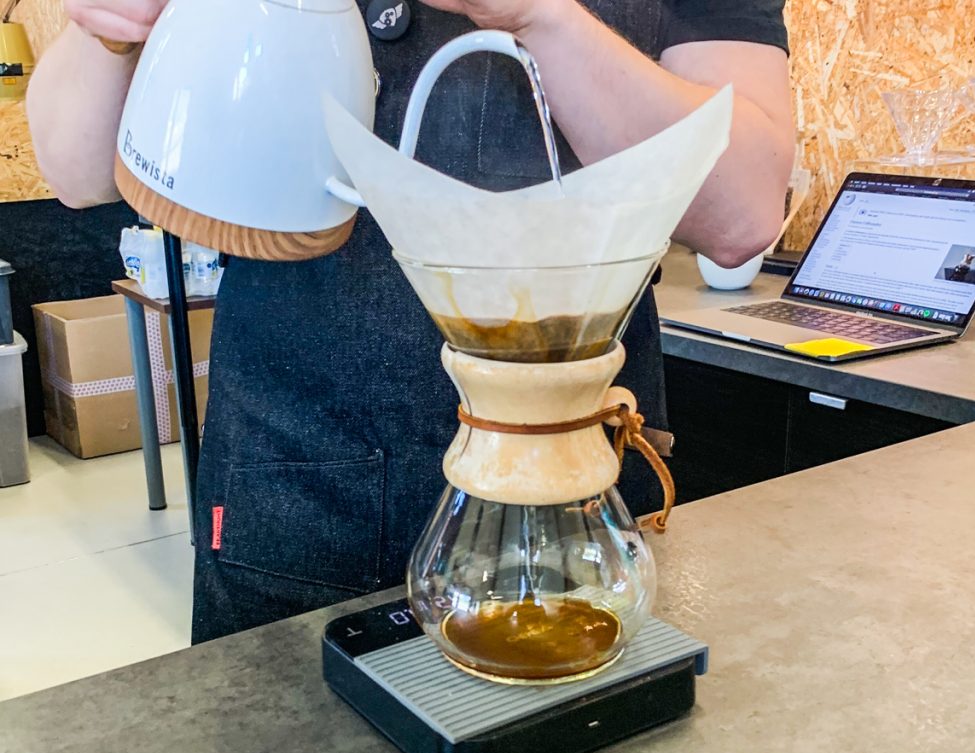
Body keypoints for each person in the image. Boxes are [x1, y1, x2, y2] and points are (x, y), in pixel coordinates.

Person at [28, 0, 794, 643]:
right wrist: (106, 32)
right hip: (290, 488)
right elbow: (76, 171)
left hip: (574, 497)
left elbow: (741, 212)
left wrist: (541, 16)